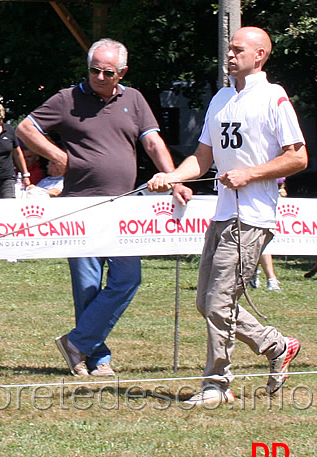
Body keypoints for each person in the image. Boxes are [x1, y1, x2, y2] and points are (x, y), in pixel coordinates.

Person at [147, 27, 307, 406]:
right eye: (229, 49)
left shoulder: (274, 97)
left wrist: (250, 174)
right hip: (222, 213)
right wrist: (171, 176)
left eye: (238, 50)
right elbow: (203, 158)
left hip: (253, 217)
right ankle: (276, 345)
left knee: (219, 302)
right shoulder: (220, 98)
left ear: (260, 55)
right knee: (207, 302)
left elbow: (297, 157)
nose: (230, 55)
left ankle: (216, 385)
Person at [17, 38, 192, 377]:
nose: (98, 76)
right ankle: (97, 359)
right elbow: (26, 128)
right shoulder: (67, 99)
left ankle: (77, 343)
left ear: (122, 72)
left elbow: (153, 142)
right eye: (93, 69)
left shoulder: (135, 99)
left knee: (128, 278)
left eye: (107, 72)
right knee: (87, 287)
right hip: (79, 208)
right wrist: (59, 157)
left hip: (123, 208)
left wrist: (174, 178)